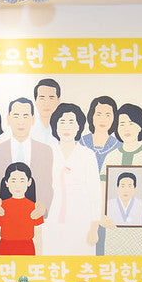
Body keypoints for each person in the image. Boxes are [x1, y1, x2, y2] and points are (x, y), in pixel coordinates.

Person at [100, 103, 142, 255]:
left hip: (141, 231)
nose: (126, 128)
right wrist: (102, 216)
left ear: (140, 127)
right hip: (114, 230)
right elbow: (102, 192)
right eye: (122, 124)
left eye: (131, 123)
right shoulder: (111, 157)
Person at [45, 103, 101, 255]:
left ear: (78, 127)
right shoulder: (48, 152)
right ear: (55, 126)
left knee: (81, 259)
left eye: (71, 122)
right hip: (53, 217)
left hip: (82, 218)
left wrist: (94, 228)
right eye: (62, 122)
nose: (66, 127)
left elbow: (95, 193)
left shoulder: (87, 155)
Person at [0, 98, 53, 220]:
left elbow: (47, 185)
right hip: (5, 217)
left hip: (35, 217)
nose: (21, 122)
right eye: (16, 116)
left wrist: (43, 208)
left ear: (33, 119)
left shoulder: (45, 151)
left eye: (25, 116)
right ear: (8, 119)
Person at [80, 96, 121, 256]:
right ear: (91, 116)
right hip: (83, 209)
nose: (103, 119)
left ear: (114, 118)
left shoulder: (119, 147)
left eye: (108, 115)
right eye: (98, 114)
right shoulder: (80, 144)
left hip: (109, 211)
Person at [0, 162, 44, 255]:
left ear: (29, 182)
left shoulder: (36, 208)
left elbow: (38, 237)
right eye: (13, 181)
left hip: (27, 250)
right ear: (6, 183)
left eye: (22, 180)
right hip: (5, 249)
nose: (17, 185)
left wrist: (39, 258)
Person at [30, 78, 62, 145]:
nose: (46, 103)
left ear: (58, 101)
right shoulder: (28, 127)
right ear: (36, 101)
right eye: (42, 98)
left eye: (51, 98)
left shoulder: (66, 127)